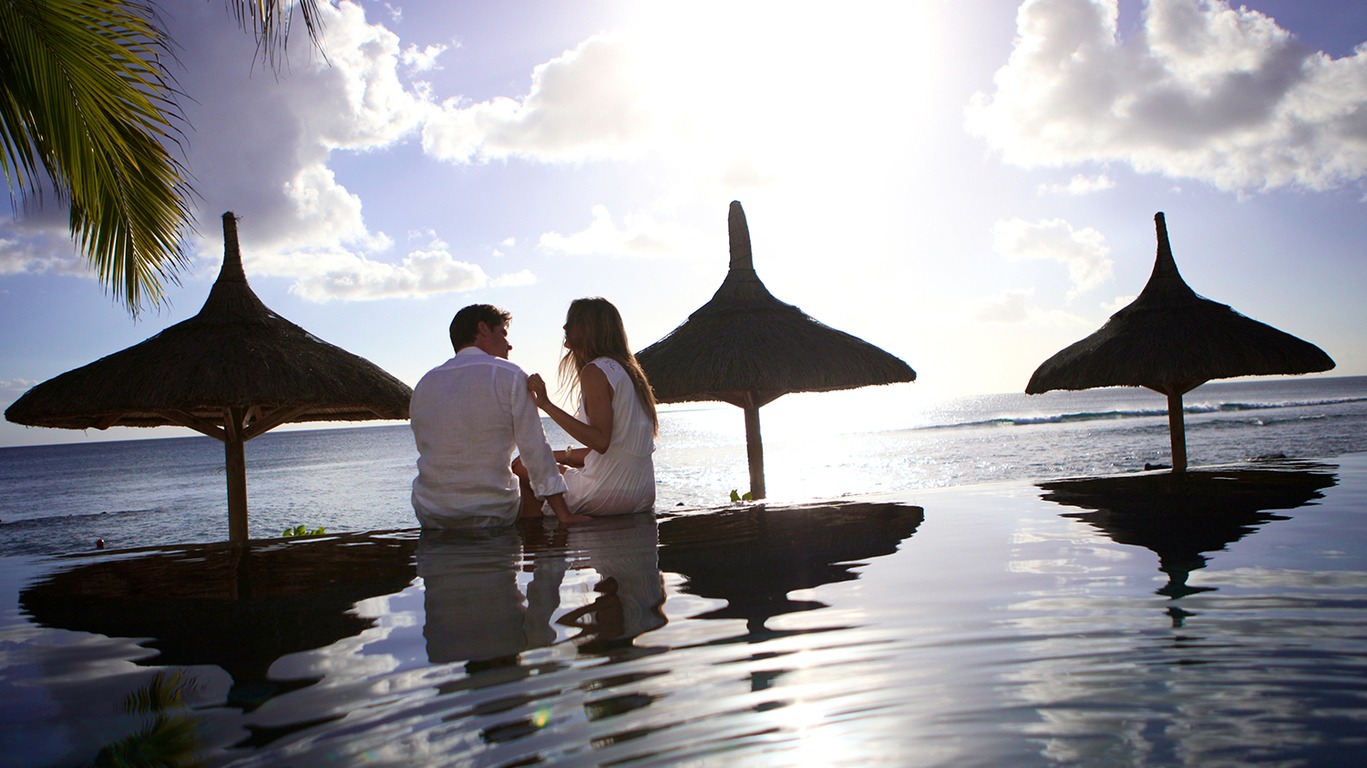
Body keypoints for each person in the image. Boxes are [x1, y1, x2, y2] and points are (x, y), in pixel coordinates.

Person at [410, 304, 590, 528]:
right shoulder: (510, 375)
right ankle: (545, 556)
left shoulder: (425, 384)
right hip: (492, 511)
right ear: (483, 329)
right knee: (528, 484)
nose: (509, 344)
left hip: (432, 513)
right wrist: (564, 515)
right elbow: (535, 451)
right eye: (503, 334)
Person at [521, 297, 658, 517]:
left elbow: (600, 441)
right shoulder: (630, 373)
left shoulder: (595, 370)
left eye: (572, 322)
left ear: (588, 328)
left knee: (522, 465)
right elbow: (614, 449)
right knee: (551, 468)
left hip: (608, 494)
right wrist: (559, 455)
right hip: (643, 493)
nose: (565, 328)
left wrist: (546, 404)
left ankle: (542, 540)